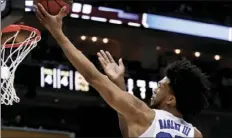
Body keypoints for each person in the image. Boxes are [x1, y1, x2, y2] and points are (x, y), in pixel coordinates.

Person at [34, 4, 210, 138]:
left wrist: (57, 33)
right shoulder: (194, 134)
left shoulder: (143, 112)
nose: (156, 87)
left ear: (171, 99)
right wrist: (119, 84)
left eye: (162, 85)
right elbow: (131, 132)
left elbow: (93, 77)